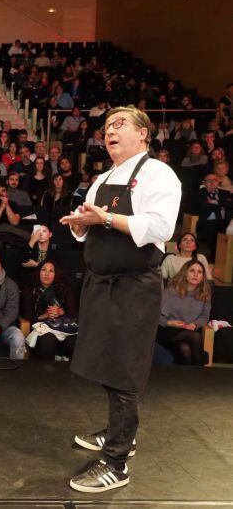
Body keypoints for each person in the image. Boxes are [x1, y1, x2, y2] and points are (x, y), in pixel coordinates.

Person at [60, 106, 182, 492]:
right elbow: (90, 227)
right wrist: (81, 225)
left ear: (144, 134)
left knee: (125, 369)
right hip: (101, 284)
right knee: (106, 361)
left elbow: (160, 227)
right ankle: (118, 431)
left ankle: (117, 461)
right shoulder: (104, 178)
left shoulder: (159, 174)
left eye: (119, 125)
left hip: (133, 286)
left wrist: (106, 219)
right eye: (106, 127)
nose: (109, 132)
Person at [156, 260, 212, 366]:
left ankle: (187, 378)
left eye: (199, 272)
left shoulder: (204, 295)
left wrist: (195, 324)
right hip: (166, 330)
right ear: (185, 273)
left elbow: (204, 317)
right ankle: (201, 372)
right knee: (194, 337)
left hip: (188, 330)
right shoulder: (170, 291)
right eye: (192, 271)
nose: (196, 274)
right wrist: (169, 323)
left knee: (185, 349)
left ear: (202, 277)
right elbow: (154, 314)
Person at [21, 259, 78, 360]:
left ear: (55, 274)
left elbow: (73, 313)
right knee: (48, 341)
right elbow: (27, 315)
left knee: (74, 342)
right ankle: (46, 374)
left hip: (64, 326)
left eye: (51, 271)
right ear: (39, 272)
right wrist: (46, 315)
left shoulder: (64, 288)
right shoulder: (31, 289)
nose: (46, 274)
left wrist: (61, 312)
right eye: (43, 270)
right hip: (42, 327)